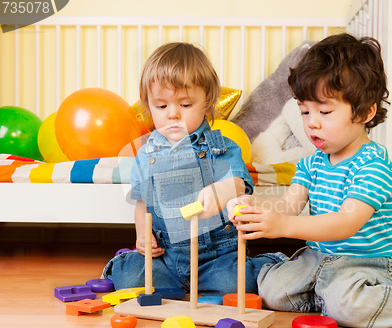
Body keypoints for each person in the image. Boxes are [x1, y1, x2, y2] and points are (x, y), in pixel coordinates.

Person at [227, 33, 392, 328]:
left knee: (351, 307)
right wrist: (259, 209)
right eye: (305, 111)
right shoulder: (312, 163)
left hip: (371, 262)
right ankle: (324, 295)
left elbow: (345, 222)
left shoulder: (374, 165)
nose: (312, 123)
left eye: (325, 112)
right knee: (272, 291)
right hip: (322, 258)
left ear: (365, 112)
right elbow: (288, 205)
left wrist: (283, 225)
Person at [103, 42, 285, 294]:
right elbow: (142, 204)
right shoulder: (145, 154)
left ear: (207, 103)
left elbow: (240, 183)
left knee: (237, 284)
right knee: (132, 279)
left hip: (217, 256)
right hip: (166, 257)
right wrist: (143, 236)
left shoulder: (220, 146)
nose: (173, 114)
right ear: (148, 105)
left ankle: (270, 264)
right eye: (162, 106)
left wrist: (220, 191)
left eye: (185, 105)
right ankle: (148, 270)